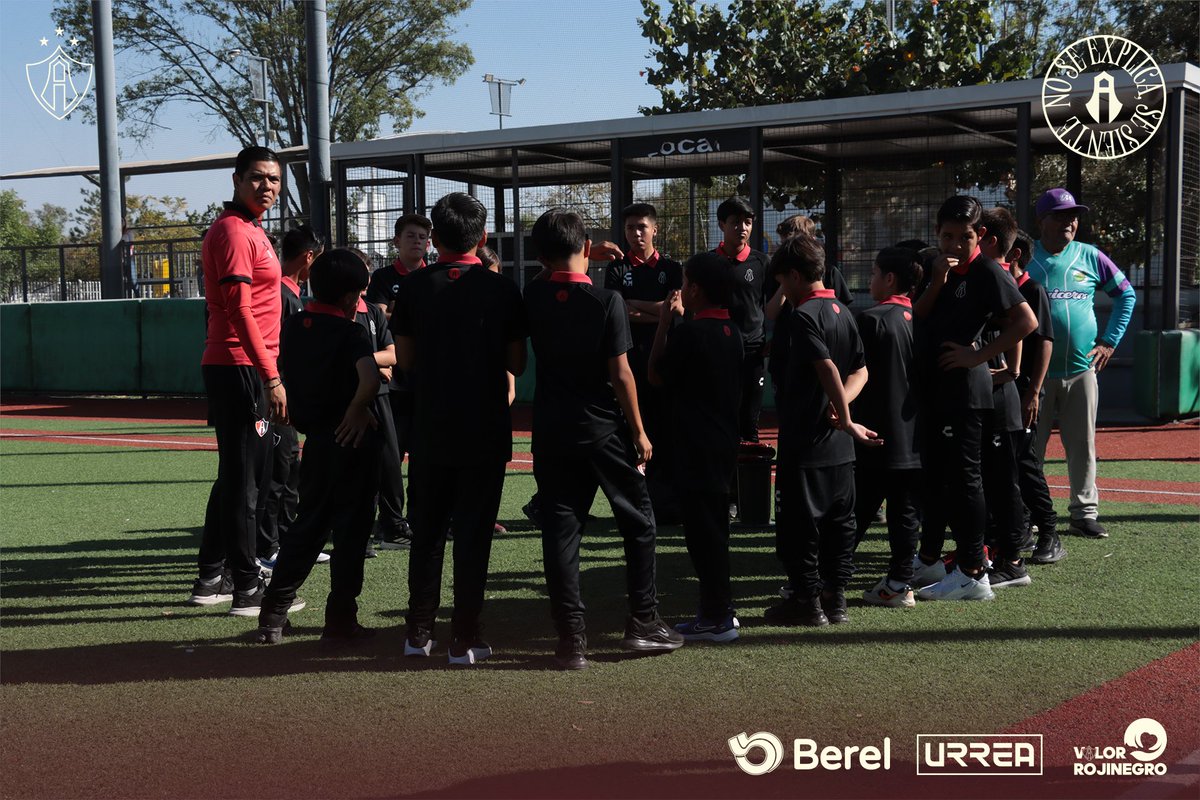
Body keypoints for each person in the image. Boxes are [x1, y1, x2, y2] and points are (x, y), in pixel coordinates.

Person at [524, 208, 683, 670]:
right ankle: (643, 621)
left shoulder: (531, 296)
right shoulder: (606, 300)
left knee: (560, 531)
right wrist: (639, 431)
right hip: (602, 430)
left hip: (551, 430)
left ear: (539, 255)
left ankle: (570, 641)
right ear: (587, 250)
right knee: (638, 521)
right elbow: (621, 374)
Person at [391, 192, 527, 666]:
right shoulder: (503, 289)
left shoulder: (411, 288)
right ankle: (465, 638)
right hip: (485, 429)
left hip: (430, 427)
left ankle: (418, 632)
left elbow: (404, 362)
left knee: (426, 533)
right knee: (474, 536)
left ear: (435, 237)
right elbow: (517, 364)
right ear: (483, 237)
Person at [910, 195, 1036, 602]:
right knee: (943, 481)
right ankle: (936, 561)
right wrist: (936, 281)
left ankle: (972, 573)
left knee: (966, 482)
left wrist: (977, 355)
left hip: (967, 392)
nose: (953, 246)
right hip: (938, 391)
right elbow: (920, 316)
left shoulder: (986, 270)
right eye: (946, 236)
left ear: (979, 235)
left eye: (963, 238)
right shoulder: (939, 267)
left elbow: (1025, 321)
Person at [254, 249, 383, 644]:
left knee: (307, 526)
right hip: (354, 441)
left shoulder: (295, 325)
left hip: (316, 441)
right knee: (352, 533)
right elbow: (370, 378)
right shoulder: (352, 332)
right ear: (349, 299)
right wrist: (359, 408)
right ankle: (341, 619)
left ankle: (274, 613)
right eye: (359, 294)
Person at [188, 146, 289, 616]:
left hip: (247, 366)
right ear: (236, 179)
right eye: (257, 178)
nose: (266, 186)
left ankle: (213, 576)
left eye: (273, 179)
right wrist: (269, 375)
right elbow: (237, 309)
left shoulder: (251, 229)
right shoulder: (232, 230)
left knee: (239, 477)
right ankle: (248, 588)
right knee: (247, 483)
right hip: (241, 367)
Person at [764, 235, 879, 627]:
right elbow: (860, 370)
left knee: (800, 526)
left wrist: (844, 418)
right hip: (839, 451)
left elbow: (827, 366)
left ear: (796, 276)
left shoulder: (803, 316)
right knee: (838, 525)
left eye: (783, 281)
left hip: (806, 442)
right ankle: (836, 599)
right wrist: (841, 408)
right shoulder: (843, 311)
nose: (783, 290)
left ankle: (807, 603)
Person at [1027, 188, 1136, 539]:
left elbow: (1126, 295)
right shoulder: (1025, 258)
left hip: (1081, 370)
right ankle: (1026, 515)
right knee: (1029, 450)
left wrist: (1109, 341)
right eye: (1060, 215)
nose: (1070, 221)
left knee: (1083, 446)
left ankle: (1083, 513)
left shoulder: (1090, 255)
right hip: (1035, 376)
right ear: (1042, 220)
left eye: (1073, 215)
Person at [647, 252, 743, 642]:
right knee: (714, 532)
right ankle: (718, 610)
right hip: (721, 448)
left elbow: (654, 375)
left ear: (695, 289)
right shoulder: (731, 331)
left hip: (695, 448)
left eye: (685, 282)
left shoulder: (690, 333)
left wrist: (666, 320)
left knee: (703, 537)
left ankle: (716, 617)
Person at [598, 203, 684, 520]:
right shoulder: (617, 268)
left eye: (642, 227)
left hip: (664, 361)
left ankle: (665, 502)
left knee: (665, 430)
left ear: (655, 229)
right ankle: (634, 501)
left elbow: (676, 308)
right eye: (630, 227)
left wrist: (634, 304)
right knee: (628, 432)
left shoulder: (673, 268)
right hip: (629, 363)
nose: (636, 233)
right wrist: (658, 310)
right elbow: (617, 310)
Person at [852, 246, 923, 608]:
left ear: (890, 279)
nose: (870, 280)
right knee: (904, 512)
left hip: (876, 433)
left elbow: (855, 375)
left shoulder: (872, 319)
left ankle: (827, 577)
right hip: (916, 436)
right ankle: (900, 583)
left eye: (875, 273)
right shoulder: (924, 318)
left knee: (857, 507)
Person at [256, 225, 324, 572]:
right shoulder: (280, 293)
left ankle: (284, 540)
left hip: (286, 396)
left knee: (288, 468)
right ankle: (267, 546)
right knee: (274, 470)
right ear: (309, 257)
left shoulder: (292, 293)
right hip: (273, 398)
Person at [365, 213, 432, 550]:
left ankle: (421, 520)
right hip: (393, 383)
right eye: (410, 235)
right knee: (389, 456)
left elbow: (395, 315)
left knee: (426, 455)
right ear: (396, 241)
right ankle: (387, 523)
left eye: (422, 236)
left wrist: (398, 311)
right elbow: (379, 317)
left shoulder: (432, 276)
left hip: (427, 381)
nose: (417, 241)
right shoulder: (382, 276)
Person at [977, 207, 1034, 589]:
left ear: (988, 238)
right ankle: (994, 551)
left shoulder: (994, 272)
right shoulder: (987, 272)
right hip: (994, 394)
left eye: (970, 234)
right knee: (993, 479)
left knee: (1003, 482)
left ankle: (1012, 561)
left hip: (1002, 397)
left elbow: (1024, 323)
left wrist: (1004, 368)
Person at [1008, 228, 1066, 564]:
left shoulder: (1033, 289)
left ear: (1014, 254)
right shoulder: (997, 287)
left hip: (1023, 390)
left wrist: (1033, 392)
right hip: (1002, 391)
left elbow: (1045, 341)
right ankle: (1021, 529)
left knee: (1025, 463)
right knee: (1007, 465)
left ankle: (1049, 531)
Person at [712, 197, 774, 444]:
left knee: (749, 423)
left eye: (747, 222)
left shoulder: (762, 263)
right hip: (717, 352)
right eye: (735, 222)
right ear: (721, 224)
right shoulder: (708, 263)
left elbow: (778, 301)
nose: (743, 228)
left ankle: (750, 481)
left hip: (752, 353)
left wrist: (774, 339)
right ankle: (721, 481)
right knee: (719, 419)